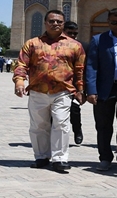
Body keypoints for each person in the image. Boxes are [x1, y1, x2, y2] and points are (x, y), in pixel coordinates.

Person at [13, 9, 86, 172]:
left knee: (61, 123)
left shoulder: (74, 45)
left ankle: (60, 158)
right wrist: (19, 81)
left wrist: (80, 89)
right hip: (38, 91)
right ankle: (41, 156)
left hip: (62, 91)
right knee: (39, 125)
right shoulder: (32, 44)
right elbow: (21, 64)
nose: (55, 24)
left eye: (59, 21)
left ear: (63, 23)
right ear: (45, 23)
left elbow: (79, 69)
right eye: (51, 21)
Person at [85, 9, 117, 171]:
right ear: (108, 23)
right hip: (105, 88)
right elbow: (91, 66)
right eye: (114, 23)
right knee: (103, 125)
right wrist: (91, 90)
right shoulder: (98, 40)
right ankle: (105, 157)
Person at [63, 21, 84, 145]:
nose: (72, 36)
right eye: (69, 33)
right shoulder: (55, 46)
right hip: (60, 84)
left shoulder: (81, 46)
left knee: (74, 109)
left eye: (75, 33)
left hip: (76, 84)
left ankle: (77, 130)